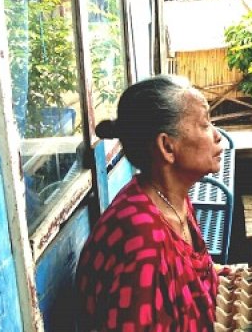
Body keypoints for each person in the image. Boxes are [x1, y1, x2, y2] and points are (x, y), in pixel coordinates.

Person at [76, 75, 226, 331]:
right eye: (204, 124)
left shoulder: (171, 200)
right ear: (167, 147)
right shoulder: (142, 243)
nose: (217, 136)